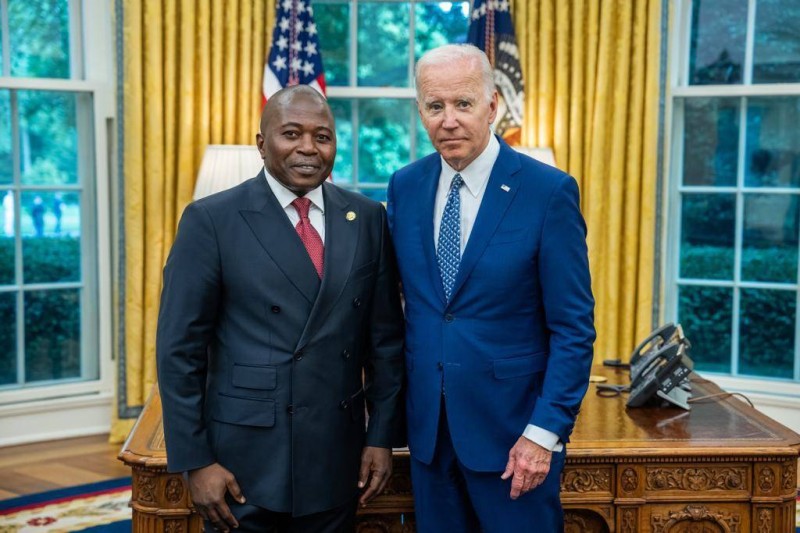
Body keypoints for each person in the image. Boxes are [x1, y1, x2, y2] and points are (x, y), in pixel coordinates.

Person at [157, 85, 405, 533]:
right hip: (244, 461)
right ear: (261, 143)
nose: (308, 148)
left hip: (337, 455)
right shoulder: (211, 220)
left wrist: (381, 437)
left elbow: (385, 342)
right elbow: (179, 352)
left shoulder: (367, 217)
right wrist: (196, 461)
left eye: (323, 136)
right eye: (291, 133)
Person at [387, 44, 595, 532]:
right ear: (420, 111)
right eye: (435, 107)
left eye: (463, 104)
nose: (449, 120)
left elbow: (572, 328)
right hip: (429, 441)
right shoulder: (405, 186)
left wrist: (544, 435)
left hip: (515, 442)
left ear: (493, 105)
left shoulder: (548, 192)